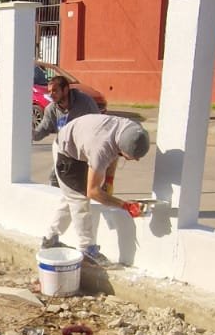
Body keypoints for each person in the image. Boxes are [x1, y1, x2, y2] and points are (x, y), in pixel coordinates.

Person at [40, 114, 150, 261]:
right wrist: (125, 206)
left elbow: (114, 153)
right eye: (132, 156)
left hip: (83, 142)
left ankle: (50, 239)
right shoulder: (101, 148)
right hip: (66, 152)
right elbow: (93, 191)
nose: (136, 160)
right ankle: (87, 249)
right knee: (79, 200)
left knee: (70, 196)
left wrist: (109, 180)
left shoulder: (131, 131)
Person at [34, 73, 101, 186]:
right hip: (63, 148)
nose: (51, 94)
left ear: (65, 90)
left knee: (86, 182)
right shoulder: (51, 109)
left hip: (83, 149)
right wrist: (31, 135)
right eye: (49, 91)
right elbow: (44, 128)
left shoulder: (85, 103)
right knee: (55, 180)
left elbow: (99, 124)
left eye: (55, 91)